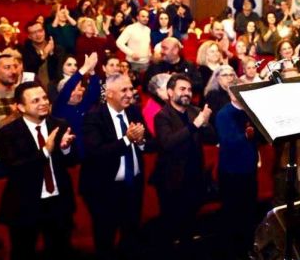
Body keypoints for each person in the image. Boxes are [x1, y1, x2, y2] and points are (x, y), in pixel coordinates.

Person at [0, 81, 77, 260]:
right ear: (21, 107)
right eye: (35, 101)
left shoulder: (60, 125)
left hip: (58, 202)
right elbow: (14, 168)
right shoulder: (9, 132)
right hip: (25, 204)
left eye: (44, 98)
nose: (43, 103)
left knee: (61, 251)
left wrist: (65, 148)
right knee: (23, 252)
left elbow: (73, 161)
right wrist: (45, 151)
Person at [80, 73, 151, 260]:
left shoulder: (134, 111)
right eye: (124, 90)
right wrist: (127, 139)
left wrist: (141, 141)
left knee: (131, 234)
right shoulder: (93, 116)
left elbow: (150, 143)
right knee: (106, 236)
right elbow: (97, 152)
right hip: (104, 188)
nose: (130, 94)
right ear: (109, 93)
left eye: (131, 89)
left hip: (132, 184)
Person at [150, 74, 217, 248]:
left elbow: (212, 138)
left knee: (190, 223)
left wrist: (205, 124)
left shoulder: (195, 111)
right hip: (171, 179)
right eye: (182, 89)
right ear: (170, 92)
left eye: (189, 89)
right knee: (172, 226)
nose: (187, 93)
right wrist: (195, 125)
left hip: (194, 176)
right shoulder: (162, 116)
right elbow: (168, 143)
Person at [215, 84, 259, 258]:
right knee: (232, 214)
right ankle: (232, 252)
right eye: (235, 90)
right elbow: (227, 141)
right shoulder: (223, 114)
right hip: (231, 172)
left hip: (249, 169)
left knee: (249, 212)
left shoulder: (251, 111)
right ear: (230, 94)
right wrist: (246, 136)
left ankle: (247, 248)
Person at [52, 52, 100, 158]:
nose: (81, 91)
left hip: (88, 152)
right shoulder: (59, 106)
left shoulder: (82, 103)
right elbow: (67, 88)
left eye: (81, 88)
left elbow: (95, 92)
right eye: (77, 89)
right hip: (68, 154)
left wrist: (92, 71)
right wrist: (84, 68)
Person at [0, 55, 19, 182]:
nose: (13, 71)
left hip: (21, 157)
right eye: (7, 67)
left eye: (15, 66)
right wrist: (14, 116)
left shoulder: (21, 93)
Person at [20, 20, 65, 86]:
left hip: (55, 87)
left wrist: (51, 52)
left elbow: (59, 69)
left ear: (44, 31)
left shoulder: (57, 48)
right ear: (29, 36)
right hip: (34, 87)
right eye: (33, 33)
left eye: (40, 31)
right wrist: (44, 53)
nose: (38, 35)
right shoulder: (26, 50)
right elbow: (30, 69)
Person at [116, 8, 152, 74]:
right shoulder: (130, 28)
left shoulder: (148, 30)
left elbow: (147, 44)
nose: (146, 18)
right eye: (143, 16)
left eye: (147, 17)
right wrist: (131, 53)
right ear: (137, 17)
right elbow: (119, 42)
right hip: (132, 64)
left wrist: (150, 55)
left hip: (146, 63)